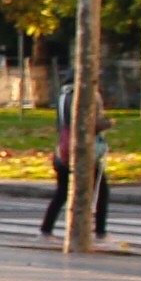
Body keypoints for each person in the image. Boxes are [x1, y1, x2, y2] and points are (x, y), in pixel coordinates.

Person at [41, 74, 109, 239]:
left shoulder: (63, 97)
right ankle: (99, 232)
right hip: (82, 150)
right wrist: (106, 124)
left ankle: (46, 229)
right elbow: (87, 124)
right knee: (101, 191)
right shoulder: (83, 97)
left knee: (63, 191)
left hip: (63, 148)